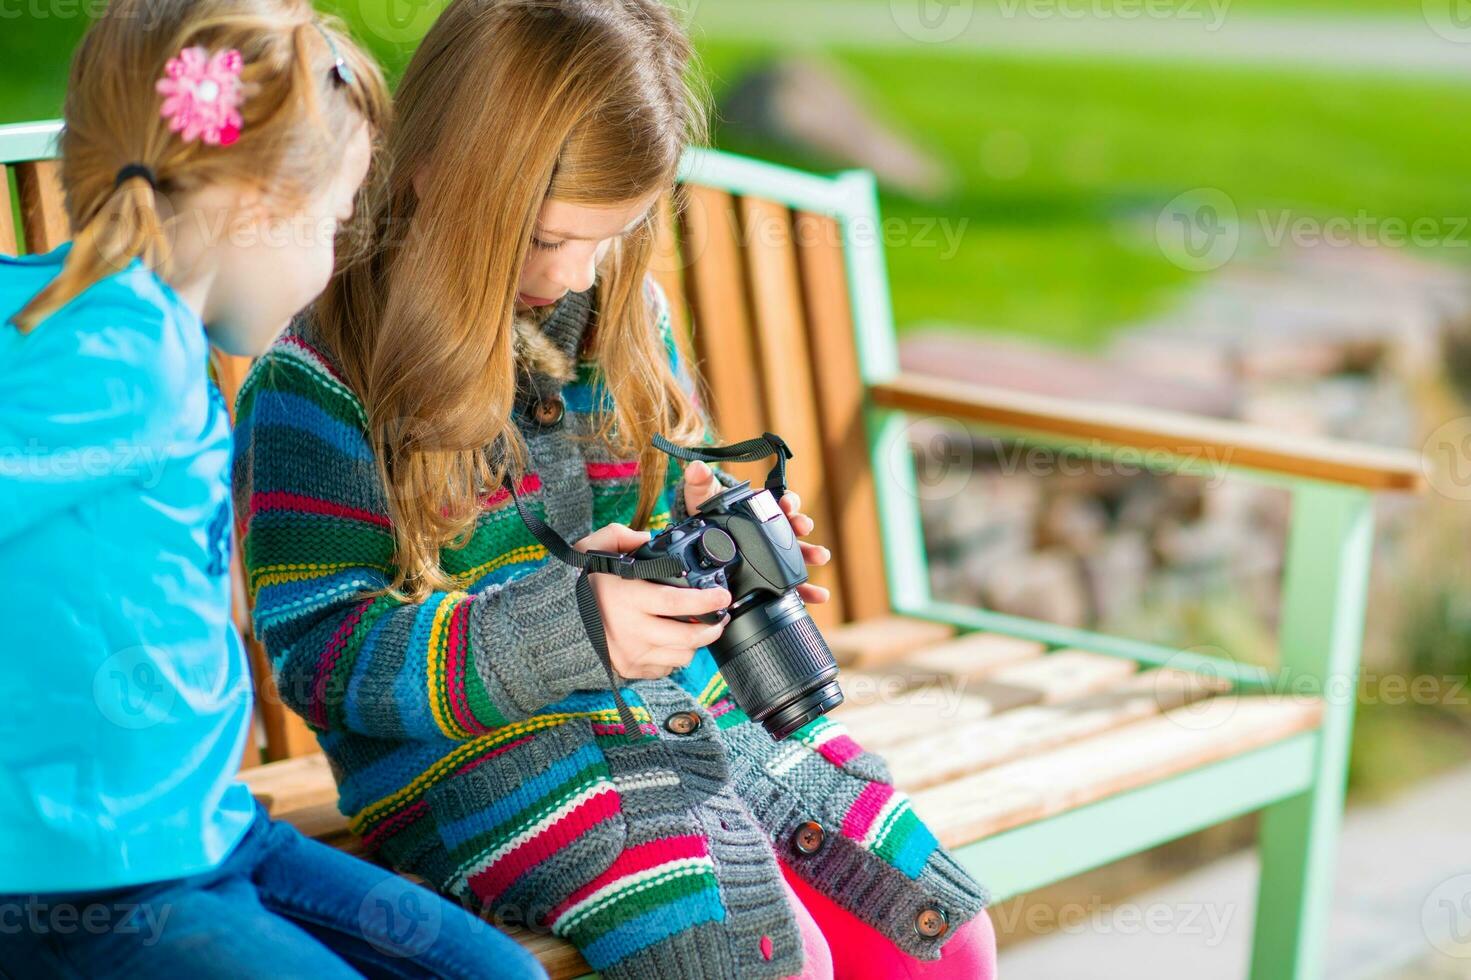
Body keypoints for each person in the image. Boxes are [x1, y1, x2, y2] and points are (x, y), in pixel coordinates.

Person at [232, 1, 997, 977]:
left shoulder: (616, 308)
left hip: (695, 715)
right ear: (442, 176)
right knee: (758, 955)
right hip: (488, 766)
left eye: (612, 235)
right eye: (551, 239)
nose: (580, 271)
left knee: (935, 932)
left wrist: (716, 536)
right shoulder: (322, 379)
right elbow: (327, 656)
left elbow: (660, 479)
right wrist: (571, 627)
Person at [0, 2, 545, 976]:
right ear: (257, 205)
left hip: (206, 829)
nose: (334, 258)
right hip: (90, 878)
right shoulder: (112, 352)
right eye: (335, 221)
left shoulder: (138, 336)